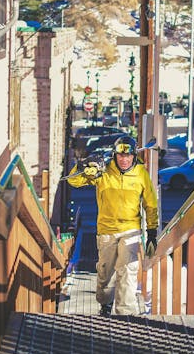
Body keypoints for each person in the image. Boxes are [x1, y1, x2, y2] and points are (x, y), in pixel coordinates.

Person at [67, 135, 159, 316]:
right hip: (106, 231)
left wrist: (152, 232)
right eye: (120, 156)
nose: (124, 160)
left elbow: (150, 204)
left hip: (131, 230)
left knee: (128, 271)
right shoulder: (103, 172)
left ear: (133, 155)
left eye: (128, 156)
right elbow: (73, 181)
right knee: (105, 272)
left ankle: (125, 314)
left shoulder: (141, 174)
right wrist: (83, 166)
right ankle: (105, 304)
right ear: (115, 155)